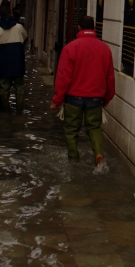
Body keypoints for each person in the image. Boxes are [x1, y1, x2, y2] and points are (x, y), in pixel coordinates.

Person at [51, 15, 115, 167]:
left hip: (73, 97)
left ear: (78, 28)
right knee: (94, 128)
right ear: (94, 28)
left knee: (71, 130)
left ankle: (73, 161)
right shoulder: (105, 49)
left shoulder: (70, 48)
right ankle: (98, 154)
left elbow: (63, 77)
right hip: (96, 97)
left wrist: (57, 100)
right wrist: (106, 98)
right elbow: (110, 77)